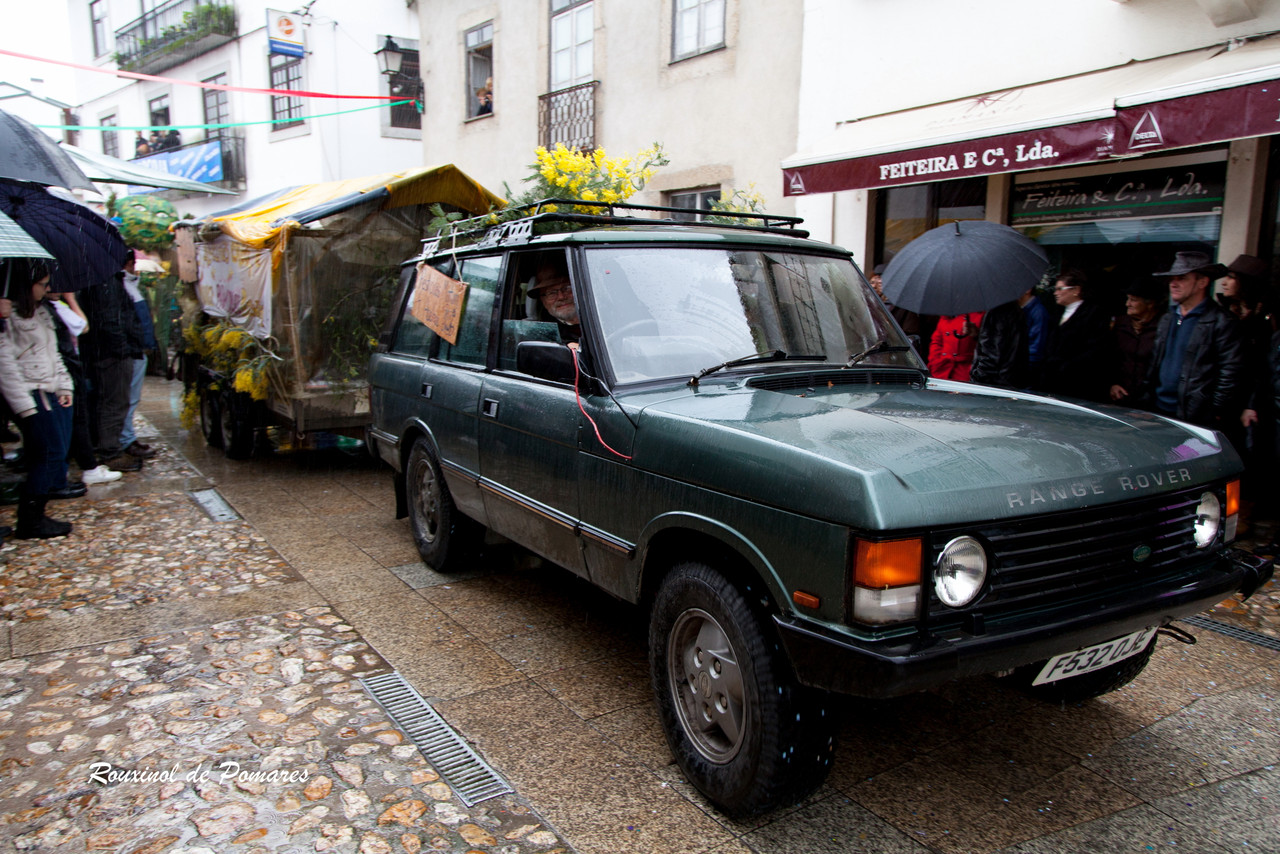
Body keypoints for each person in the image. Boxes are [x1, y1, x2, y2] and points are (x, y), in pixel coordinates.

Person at [0, 260, 76, 538]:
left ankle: (34, 516)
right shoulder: (7, 318)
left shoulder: (41, 312)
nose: (46, 290)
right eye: (42, 284)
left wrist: (64, 386)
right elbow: (5, 364)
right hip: (30, 393)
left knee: (50, 452)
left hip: (48, 390)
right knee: (47, 452)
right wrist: (24, 406)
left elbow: (53, 353)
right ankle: (31, 520)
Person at [1143, 251, 1246, 444]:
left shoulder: (1221, 321)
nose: (1173, 284)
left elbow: (1231, 371)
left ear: (1202, 282)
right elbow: (1155, 363)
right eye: (1172, 279)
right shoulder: (1168, 318)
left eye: (1181, 278)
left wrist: (1214, 411)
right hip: (1158, 412)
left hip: (1195, 418)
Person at [46, 291, 123, 486]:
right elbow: (82, 325)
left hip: (65, 368)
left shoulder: (52, 307)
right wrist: (70, 299)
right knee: (76, 419)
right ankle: (83, 469)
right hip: (63, 370)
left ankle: (68, 470)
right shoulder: (51, 308)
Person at [79, 258, 147, 473]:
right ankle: (111, 452)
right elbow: (110, 319)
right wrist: (122, 349)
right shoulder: (105, 282)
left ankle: (110, 448)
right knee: (115, 403)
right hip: (112, 353)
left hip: (110, 351)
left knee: (112, 402)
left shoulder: (106, 279)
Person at [1037, 269, 1111, 402]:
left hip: (1077, 382)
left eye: (1060, 289)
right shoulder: (1057, 313)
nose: (1056, 293)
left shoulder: (1093, 314)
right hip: (1052, 381)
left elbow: (1094, 349)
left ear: (1076, 290)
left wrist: (1066, 367)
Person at [119, 259, 158, 459]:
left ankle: (127, 438)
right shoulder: (122, 286)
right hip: (132, 351)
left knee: (131, 397)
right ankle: (125, 440)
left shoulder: (130, 285)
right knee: (129, 398)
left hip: (137, 350)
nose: (134, 267)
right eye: (131, 264)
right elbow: (132, 323)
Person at [1109, 278, 1165, 406]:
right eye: (1128, 299)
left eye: (1133, 300)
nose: (1127, 304)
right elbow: (1109, 358)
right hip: (1119, 397)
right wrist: (1112, 384)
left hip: (1150, 401)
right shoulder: (1120, 324)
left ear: (1150, 303)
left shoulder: (1163, 327)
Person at [969, 300, 1029, 389]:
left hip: (994, 382)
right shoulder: (1015, 310)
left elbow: (991, 356)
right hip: (1010, 381)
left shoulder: (996, 312)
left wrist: (976, 378)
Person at [526, 258, 580, 344]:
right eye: (551, 293)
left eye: (566, 288)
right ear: (543, 301)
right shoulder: (541, 334)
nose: (561, 297)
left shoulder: (600, 317)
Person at [868, 263, 922, 337]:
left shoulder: (904, 304)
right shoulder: (871, 302)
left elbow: (910, 332)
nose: (878, 283)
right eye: (873, 282)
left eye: (882, 278)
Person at [928, 312, 983, 381]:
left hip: (965, 372)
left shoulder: (979, 315)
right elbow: (936, 342)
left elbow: (989, 344)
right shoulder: (945, 317)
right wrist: (935, 360)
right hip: (941, 369)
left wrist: (977, 334)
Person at [1019, 287, 1051, 389]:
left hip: (1028, 370)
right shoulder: (1023, 310)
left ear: (1027, 290)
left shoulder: (1038, 312)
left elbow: (1037, 347)